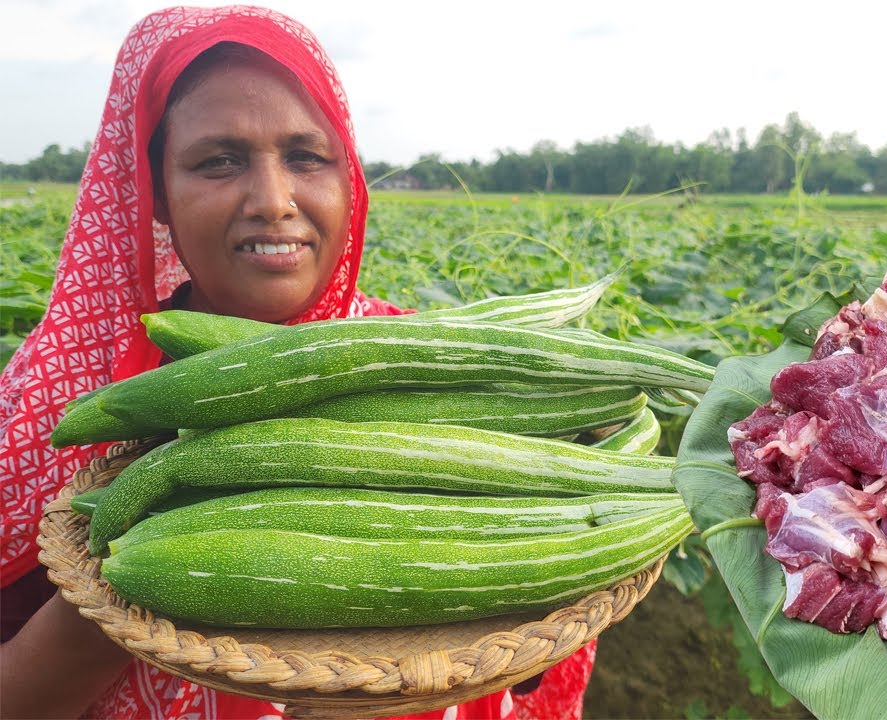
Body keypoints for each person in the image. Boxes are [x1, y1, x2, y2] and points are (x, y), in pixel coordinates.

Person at [0, 7, 594, 719]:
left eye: (307, 156)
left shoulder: (429, 366)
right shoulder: (59, 400)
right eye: (218, 159)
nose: (273, 201)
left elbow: (528, 625)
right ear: (155, 189)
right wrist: (119, 584)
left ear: (348, 178)